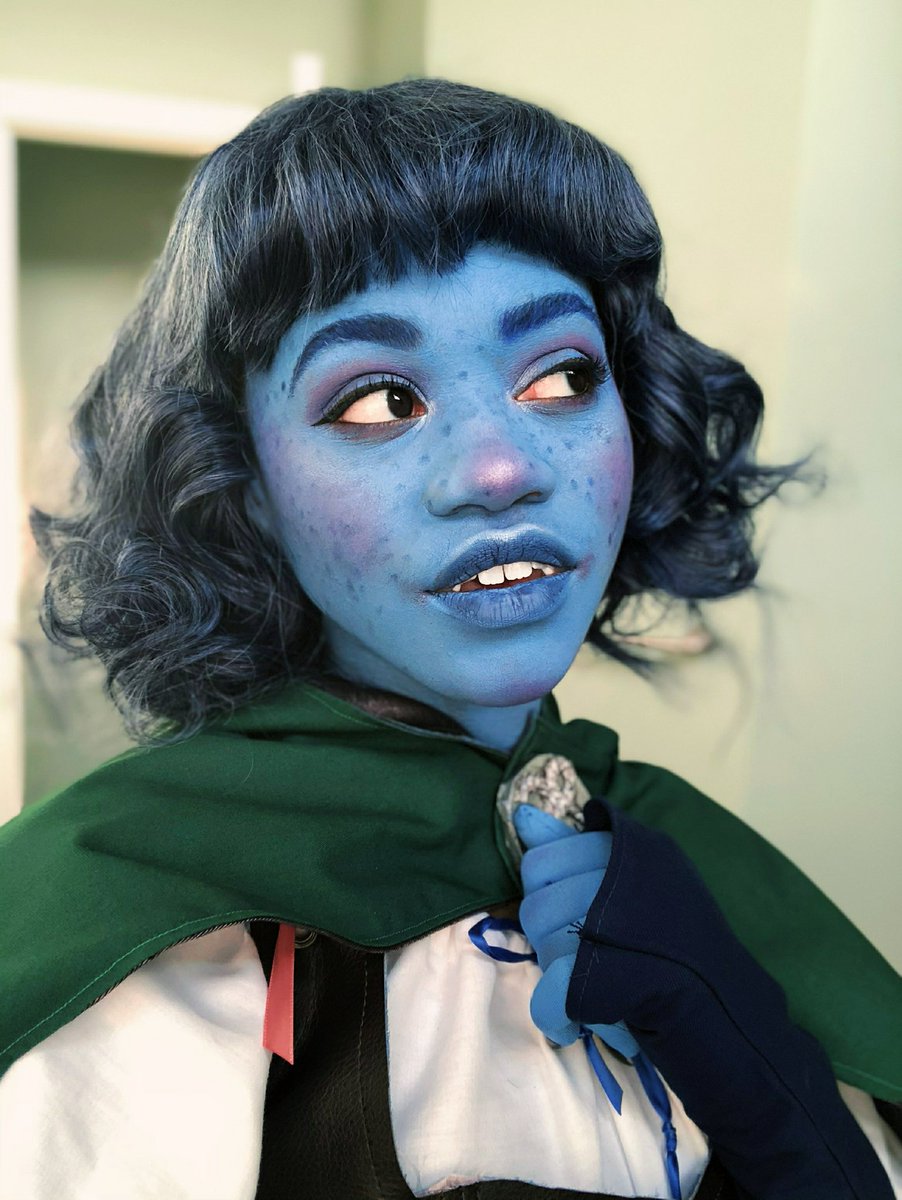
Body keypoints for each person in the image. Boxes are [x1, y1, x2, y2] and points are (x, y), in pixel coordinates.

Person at [0, 78, 899, 1200]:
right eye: (379, 401)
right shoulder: (109, 940)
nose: (501, 468)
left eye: (561, 376)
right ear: (242, 482)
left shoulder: (692, 868)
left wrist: (757, 1071)